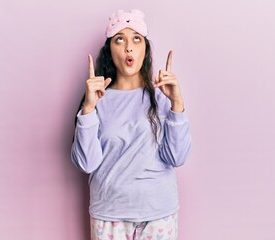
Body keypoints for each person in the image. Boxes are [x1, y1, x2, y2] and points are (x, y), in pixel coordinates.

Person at [71, 9, 192, 240]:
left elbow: (177, 157)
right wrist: (88, 109)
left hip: (159, 214)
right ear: (110, 51)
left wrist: (177, 103)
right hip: (110, 216)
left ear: (145, 48)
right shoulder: (97, 98)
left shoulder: (161, 97)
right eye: (120, 39)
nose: (129, 47)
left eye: (136, 38)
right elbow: (87, 163)